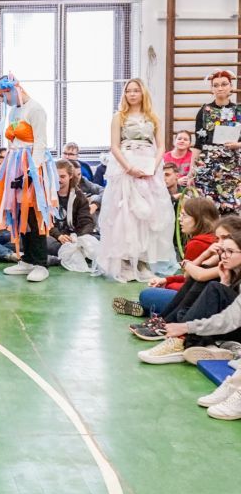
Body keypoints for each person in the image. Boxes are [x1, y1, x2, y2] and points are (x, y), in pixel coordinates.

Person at [93, 78, 176, 282]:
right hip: (126, 167)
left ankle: (144, 261)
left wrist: (154, 166)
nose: (132, 94)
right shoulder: (118, 117)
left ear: (142, 93)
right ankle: (125, 261)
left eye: (136, 90)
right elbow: (114, 146)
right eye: (128, 91)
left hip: (149, 167)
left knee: (149, 214)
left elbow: (161, 146)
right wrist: (129, 168)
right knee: (126, 215)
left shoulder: (153, 117)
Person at [138, 226, 241, 365]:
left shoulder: (197, 243)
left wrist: (187, 327)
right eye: (218, 240)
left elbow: (199, 275)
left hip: (226, 321)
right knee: (152, 297)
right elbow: (192, 276)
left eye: (229, 250)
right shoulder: (227, 265)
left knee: (149, 296)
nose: (222, 250)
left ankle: (180, 337)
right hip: (213, 314)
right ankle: (172, 326)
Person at [0, 73, 58, 283]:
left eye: (3, 95)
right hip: (14, 165)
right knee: (19, 212)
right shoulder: (14, 110)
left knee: (34, 214)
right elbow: (13, 143)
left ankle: (40, 263)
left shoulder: (35, 109)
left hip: (31, 167)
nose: (3, 100)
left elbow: (40, 143)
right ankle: (27, 259)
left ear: (12, 90)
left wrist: (32, 172)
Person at [112, 196, 219, 318]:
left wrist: (168, 283)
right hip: (206, 297)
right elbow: (198, 276)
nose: (179, 219)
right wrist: (167, 280)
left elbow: (189, 281)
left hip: (198, 300)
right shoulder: (214, 241)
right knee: (161, 291)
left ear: (199, 219)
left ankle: (147, 309)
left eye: (184, 216)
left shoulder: (197, 244)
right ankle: (148, 308)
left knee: (146, 295)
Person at [190, 69, 241, 214]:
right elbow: (198, 143)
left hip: (233, 165)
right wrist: (191, 170)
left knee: (231, 208)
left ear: (231, 86)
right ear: (211, 88)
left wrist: (238, 145)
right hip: (208, 165)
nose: (220, 88)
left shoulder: (238, 110)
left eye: (224, 84)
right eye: (216, 85)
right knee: (208, 209)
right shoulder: (204, 111)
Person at [46, 159, 97, 270]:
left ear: (70, 176)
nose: (58, 180)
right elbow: (45, 222)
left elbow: (87, 222)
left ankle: (64, 257)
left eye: (62, 177)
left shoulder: (79, 196)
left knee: (97, 240)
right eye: (55, 176)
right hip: (55, 237)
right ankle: (71, 255)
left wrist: (78, 238)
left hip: (74, 237)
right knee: (41, 241)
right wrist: (58, 235)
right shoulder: (47, 195)